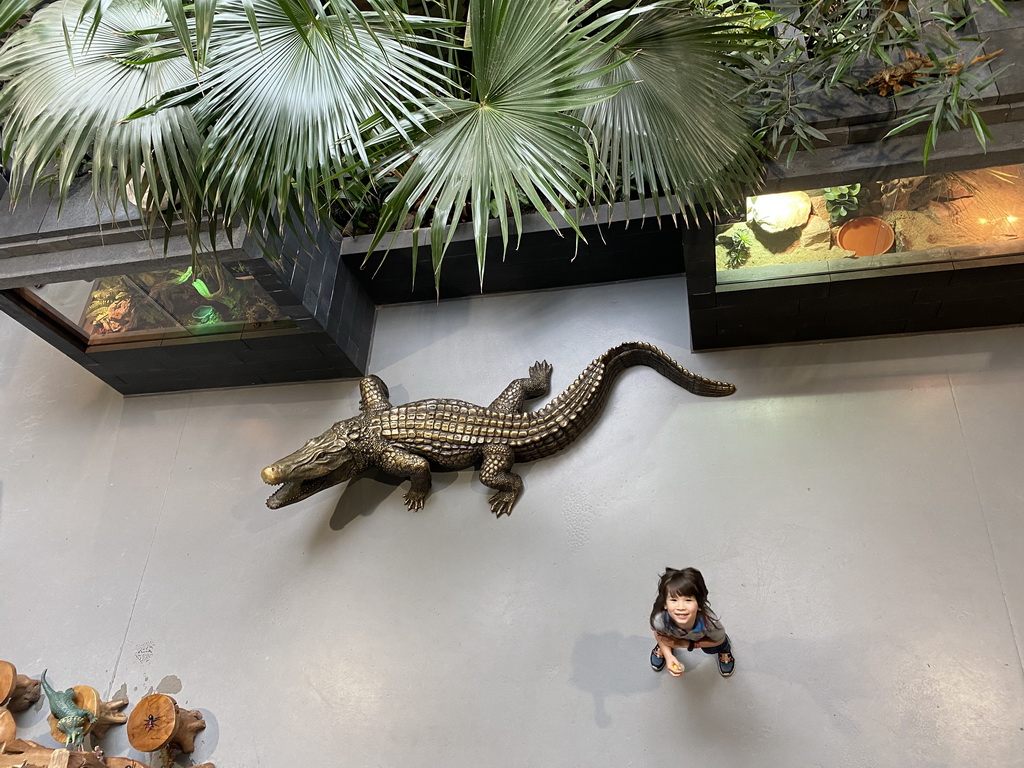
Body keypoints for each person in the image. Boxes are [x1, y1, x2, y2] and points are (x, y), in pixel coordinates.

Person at [649, 567, 734, 677]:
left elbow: (719, 640)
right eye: (674, 600)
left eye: (688, 600)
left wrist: (688, 644)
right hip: (672, 634)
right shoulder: (659, 621)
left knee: (713, 648)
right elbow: (658, 634)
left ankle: (724, 650)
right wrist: (668, 655)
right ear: (665, 604)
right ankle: (665, 647)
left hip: (700, 637)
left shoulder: (710, 624)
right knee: (666, 639)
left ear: (699, 604)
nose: (681, 607)